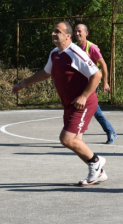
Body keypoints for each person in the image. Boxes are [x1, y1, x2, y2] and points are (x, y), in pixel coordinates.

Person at [12, 21, 108, 186]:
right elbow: (45, 72)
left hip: (83, 103)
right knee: (76, 141)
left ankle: (96, 161)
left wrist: (84, 96)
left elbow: (97, 75)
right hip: (69, 104)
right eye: (53, 31)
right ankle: (98, 171)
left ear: (67, 36)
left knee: (67, 139)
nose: (53, 34)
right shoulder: (54, 53)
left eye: (57, 31)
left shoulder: (75, 53)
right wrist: (24, 83)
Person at [75, 24, 118, 144]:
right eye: (76, 31)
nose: (77, 33)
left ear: (86, 33)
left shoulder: (92, 48)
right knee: (87, 109)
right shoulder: (74, 47)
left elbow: (103, 65)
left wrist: (105, 82)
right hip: (80, 84)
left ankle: (110, 131)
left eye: (80, 31)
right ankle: (109, 131)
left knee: (90, 109)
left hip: (92, 83)